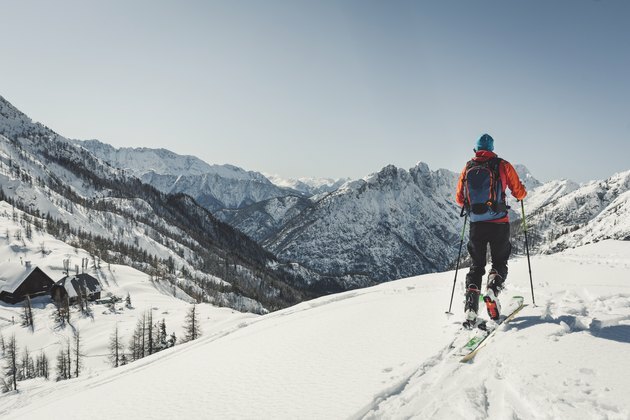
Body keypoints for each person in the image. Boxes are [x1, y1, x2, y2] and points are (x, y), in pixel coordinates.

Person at [455, 134, 527, 329]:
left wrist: (475, 208)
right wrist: (521, 192)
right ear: (492, 148)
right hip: (499, 223)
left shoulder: (468, 167)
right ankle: (493, 289)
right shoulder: (502, 165)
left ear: (476, 149)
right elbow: (519, 192)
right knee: (499, 262)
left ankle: (471, 306)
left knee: (476, 267)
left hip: (476, 225)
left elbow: (459, 199)